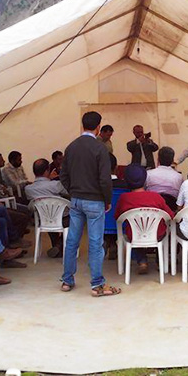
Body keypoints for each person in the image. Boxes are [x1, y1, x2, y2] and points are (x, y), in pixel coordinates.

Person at [60, 111, 121, 297]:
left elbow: (63, 175)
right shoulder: (100, 148)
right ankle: (97, 285)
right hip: (95, 201)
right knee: (95, 243)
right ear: (98, 127)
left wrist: (73, 191)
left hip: (76, 200)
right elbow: (105, 179)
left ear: (82, 125)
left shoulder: (71, 147)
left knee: (72, 241)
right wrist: (107, 200)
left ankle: (67, 280)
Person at [114, 164, 175, 275]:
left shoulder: (123, 198)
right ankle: (159, 260)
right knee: (163, 232)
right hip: (157, 234)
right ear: (145, 180)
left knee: (136, 231)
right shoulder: (156, 197)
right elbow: (170, 215)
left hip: (134, 235)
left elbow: (117, 217)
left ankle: (142, 261)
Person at [25, 158, 70, 258]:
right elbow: (68, 192)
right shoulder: (56, 185)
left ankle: (56, 246)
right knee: (74, 217)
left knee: (48, 214)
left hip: (43, 219)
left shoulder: (28, 189)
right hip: (63, 219)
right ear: (47, 170)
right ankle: (59, 245)